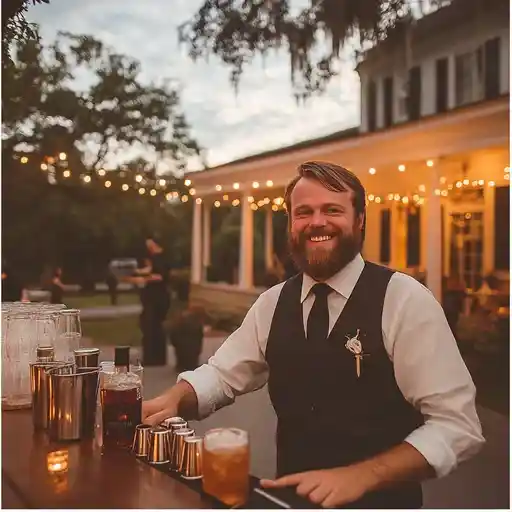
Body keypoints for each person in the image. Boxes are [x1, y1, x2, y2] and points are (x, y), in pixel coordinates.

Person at [142, 161, 484, 508]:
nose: (317, 222)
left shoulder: (405, 300)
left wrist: (363, 475)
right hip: (293, 501)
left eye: (332, 210)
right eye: (303, 212)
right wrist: (176, 397)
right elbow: (222, 374)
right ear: (291, 223)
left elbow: (457, 425)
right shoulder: (272, 303)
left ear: (360, 220)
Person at [133, 238, 171, 366]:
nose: (147, 246)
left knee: (153, 327)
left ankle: (154, 358)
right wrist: (137, 273)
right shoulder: (155, 258)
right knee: (149, 327)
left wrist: (144, 279)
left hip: (157, 299)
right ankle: (154, 357)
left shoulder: (161, 258)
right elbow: (151, 270)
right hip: (153, 298)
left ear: (155, 243)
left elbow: (159, 276)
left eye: (150, 243)